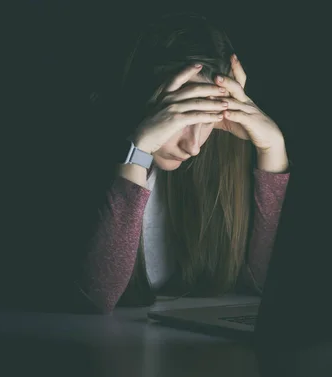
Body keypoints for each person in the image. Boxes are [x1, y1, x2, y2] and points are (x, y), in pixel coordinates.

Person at [78, 12, 291, 314]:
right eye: (180, 114)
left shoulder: (222, 155)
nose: (193, 146)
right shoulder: (90, 155)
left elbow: (266, 285)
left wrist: (272, 150)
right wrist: (137, 152)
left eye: (206, 117)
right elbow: (95, 298)